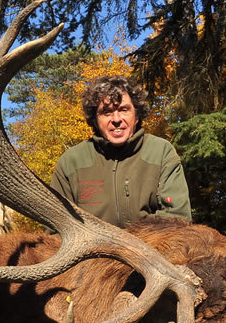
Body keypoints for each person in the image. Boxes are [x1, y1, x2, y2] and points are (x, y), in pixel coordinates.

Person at [51, 75, 191, 227]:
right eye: (106, 112)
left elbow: (178, 219)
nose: (116, 119)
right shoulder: (71, 162)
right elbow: (57, 228)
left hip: (151, 249)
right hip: (90, 251)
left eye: (124, 110)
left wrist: (129, 246)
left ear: (137, 116)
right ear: (95, 120)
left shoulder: (161, 152)